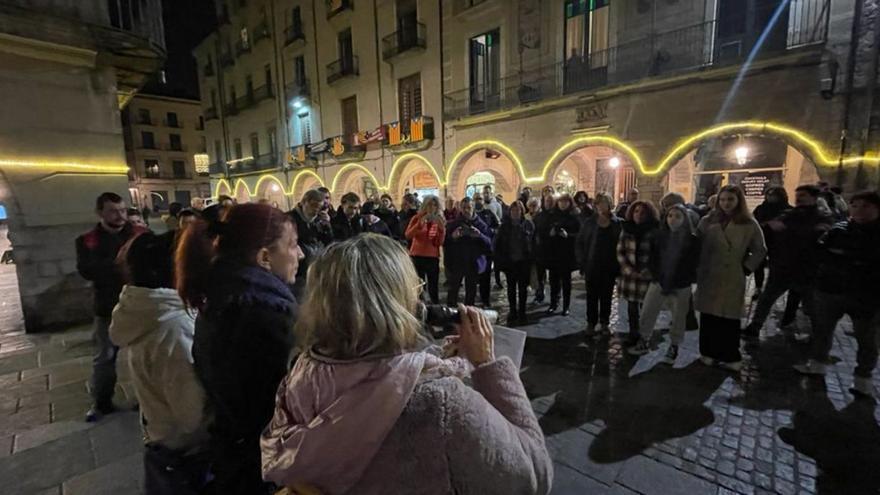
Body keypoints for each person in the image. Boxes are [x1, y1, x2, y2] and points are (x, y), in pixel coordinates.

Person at [260, 235, 553, 494]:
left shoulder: (300, 374)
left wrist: (434, 361)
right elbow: (532, 475)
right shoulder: (440, 403)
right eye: (413, 287)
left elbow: (367, 378)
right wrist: (487, 365)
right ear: (395, 303)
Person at [176, 203, 303, 494]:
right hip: (259, 462)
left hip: (234, 451)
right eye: (292, 245)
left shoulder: (224, 294)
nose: (300, 253)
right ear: (264, 257)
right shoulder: (263, 313)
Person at [109, 232, 210, 494]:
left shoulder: (149, 314)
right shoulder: (174, 328)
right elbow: (193, 416)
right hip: (187, 457)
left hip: (163, 444)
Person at [793, 191, 880, 398]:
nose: (859, 210)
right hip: (830, 289)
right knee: (823, 330)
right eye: (855, 205)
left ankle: (863, 378)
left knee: (866, 338)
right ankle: (817, 364)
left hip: (866, 295)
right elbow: (820, 252)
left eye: (865, 206)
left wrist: (847, 258)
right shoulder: (839, 229)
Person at [76, 192, 141, 421]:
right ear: (100, 213)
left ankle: (144, 399)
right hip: (107, 306)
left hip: (138, 304)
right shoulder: (88, 240)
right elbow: (87, 270)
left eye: (123, 210)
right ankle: (101, 402)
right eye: (113, 211)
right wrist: (120, 265)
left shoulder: (139, 234)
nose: (120, 215)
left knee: (143, 355)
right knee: (105, 356)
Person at [744, 185, 832, 340]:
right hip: (782, 265)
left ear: (813, 197)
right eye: (797, 195)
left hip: (807, 268)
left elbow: (819, 237)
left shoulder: (820, 217)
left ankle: (820, 335)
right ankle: (754, 327)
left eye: (803, 195)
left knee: (811, 305)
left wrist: (788, 229)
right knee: (767, 298)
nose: (799, 198)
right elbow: (767, 230)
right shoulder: (789, 214)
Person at [695, 185, 766, 371]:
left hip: (732, 273)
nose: (726, 203)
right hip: (710, 273)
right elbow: (696, 243)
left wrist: (746, 267)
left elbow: (760, 249)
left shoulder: (749, 224)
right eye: (723, 199)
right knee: (709, 316)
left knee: (729, 318)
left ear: (738, 201)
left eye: (730, 199)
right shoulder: (707, 221)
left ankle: (730, 355)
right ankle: (708, 352)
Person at [628, 205, 701, 364]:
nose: (673, 219)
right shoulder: (659, 236)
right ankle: (644, 340)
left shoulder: (692, 240)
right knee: (648, 311)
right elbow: (653, 258)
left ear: (684, 219)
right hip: (659, 280)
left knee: (678, 317)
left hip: (681, 284)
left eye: (677, 216)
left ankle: (674, 345)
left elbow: (693, 263)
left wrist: (683, 279)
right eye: (670, 216)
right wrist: (654, 273)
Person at [575, 193, 621, 339]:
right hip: (592, 265)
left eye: (604, 203)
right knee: (592, 296)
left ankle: (605, 322)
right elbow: (580, 242)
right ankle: (591, 322)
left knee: (606, 296)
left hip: (609, 266)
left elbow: (621, 244)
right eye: (598, 203)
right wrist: (582, 261)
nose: (601, 206)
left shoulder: (617, 223)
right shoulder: (590, 223)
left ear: (609, 205)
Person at [616, 200, 660, 344]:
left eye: (643, 212)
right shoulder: (627, 229)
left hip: (648, 276)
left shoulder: (655, 230)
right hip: (630, 276)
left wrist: (651, 270)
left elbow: (659, 253)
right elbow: (620, 252)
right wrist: (629, 270)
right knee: (632, 308)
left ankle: (644, 334)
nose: (639, 215)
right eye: (636, 211)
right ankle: (633, 333)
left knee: (647, 308)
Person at [445, 197, 493, 306]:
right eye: (464, 208)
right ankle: (450, 313)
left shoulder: (481, 224)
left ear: (473, 208)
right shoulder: (454, 224)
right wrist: (453, 236)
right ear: (460, 209)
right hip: (458, 262)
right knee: (453, 290)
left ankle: (469, 313)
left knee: (471, 292)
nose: (466, 210)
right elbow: (445, 242)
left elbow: (489, 243)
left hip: (473, 262)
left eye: (469, 207)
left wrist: (479, 235)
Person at [493, 201, 534, 326]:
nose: (515, 213)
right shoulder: (504, 227)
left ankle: (522, 312)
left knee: (522, 289)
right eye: (513, 210)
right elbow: (498, 245)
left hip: (523, 262)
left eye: (518, 210)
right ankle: (513, 311)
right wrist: (499, 263)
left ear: (522, 212)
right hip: (509, 262)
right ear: (510, 212)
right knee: (511, 288)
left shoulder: (528, 225)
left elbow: (533, 243)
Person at [539, 193, 580, 316]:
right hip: (554, 254)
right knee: (553, 281)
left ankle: (566, 306)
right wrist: (550, 233)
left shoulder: (574, 217)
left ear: (569, 203)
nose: (563, 204)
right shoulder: (552, 216)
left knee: (566, 281)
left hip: (567, 254)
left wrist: (568, 235)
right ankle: (553, 303)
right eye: (561, 201)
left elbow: (579, 234)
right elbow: (544, 233)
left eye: (565, 202)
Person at [289, 189, 333, 300]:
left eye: (319, 207)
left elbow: (329, 242)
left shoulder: (319, 220)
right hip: (299, 272)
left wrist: (327, 227)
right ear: (304, 202)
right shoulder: (290, 219)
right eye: (313, 206)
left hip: (316, 270)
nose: (315, 210)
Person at [405, 195, 446, 304]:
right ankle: (419, 306)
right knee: (419, 285)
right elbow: (408, 235)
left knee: (433, 286)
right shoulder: (417, 218)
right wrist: (420, 223)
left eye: (435, 205)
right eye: (429, 205)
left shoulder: (439, 220)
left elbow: (439, 242)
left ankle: (435, 307)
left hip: (432, 257)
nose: (432, 207)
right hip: (417, 255)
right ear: (424, 205)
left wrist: (442, 230)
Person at [751, 187, 791, 296]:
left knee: (775, 266)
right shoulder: (761, 208)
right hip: (762, 239)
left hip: (779, 243)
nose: (770, 197)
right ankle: (758, 287)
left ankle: (771, 288)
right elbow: (755, 222)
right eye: (768, 195)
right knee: (759, 264)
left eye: (773, 195)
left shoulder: (787, 210)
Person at [474, 195, 501, 306]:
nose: (478, 201)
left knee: (486, 277)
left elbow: (497, 226)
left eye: (479, 199)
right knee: (474, 277)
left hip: (486, 250)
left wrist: (491, 232)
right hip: (474, 251)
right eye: (476, 199)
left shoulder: (489, 213)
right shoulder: (472, 215)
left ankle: (486, 300)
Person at [532, 194, 556, 304]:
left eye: (551, 201)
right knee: (540, 276)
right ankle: (540, 294)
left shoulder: (557, 215)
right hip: (540, 250)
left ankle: (554, 299)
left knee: (554, 278)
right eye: (547, 201)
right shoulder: (539, 216)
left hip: (553, 250)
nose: (549, 203)